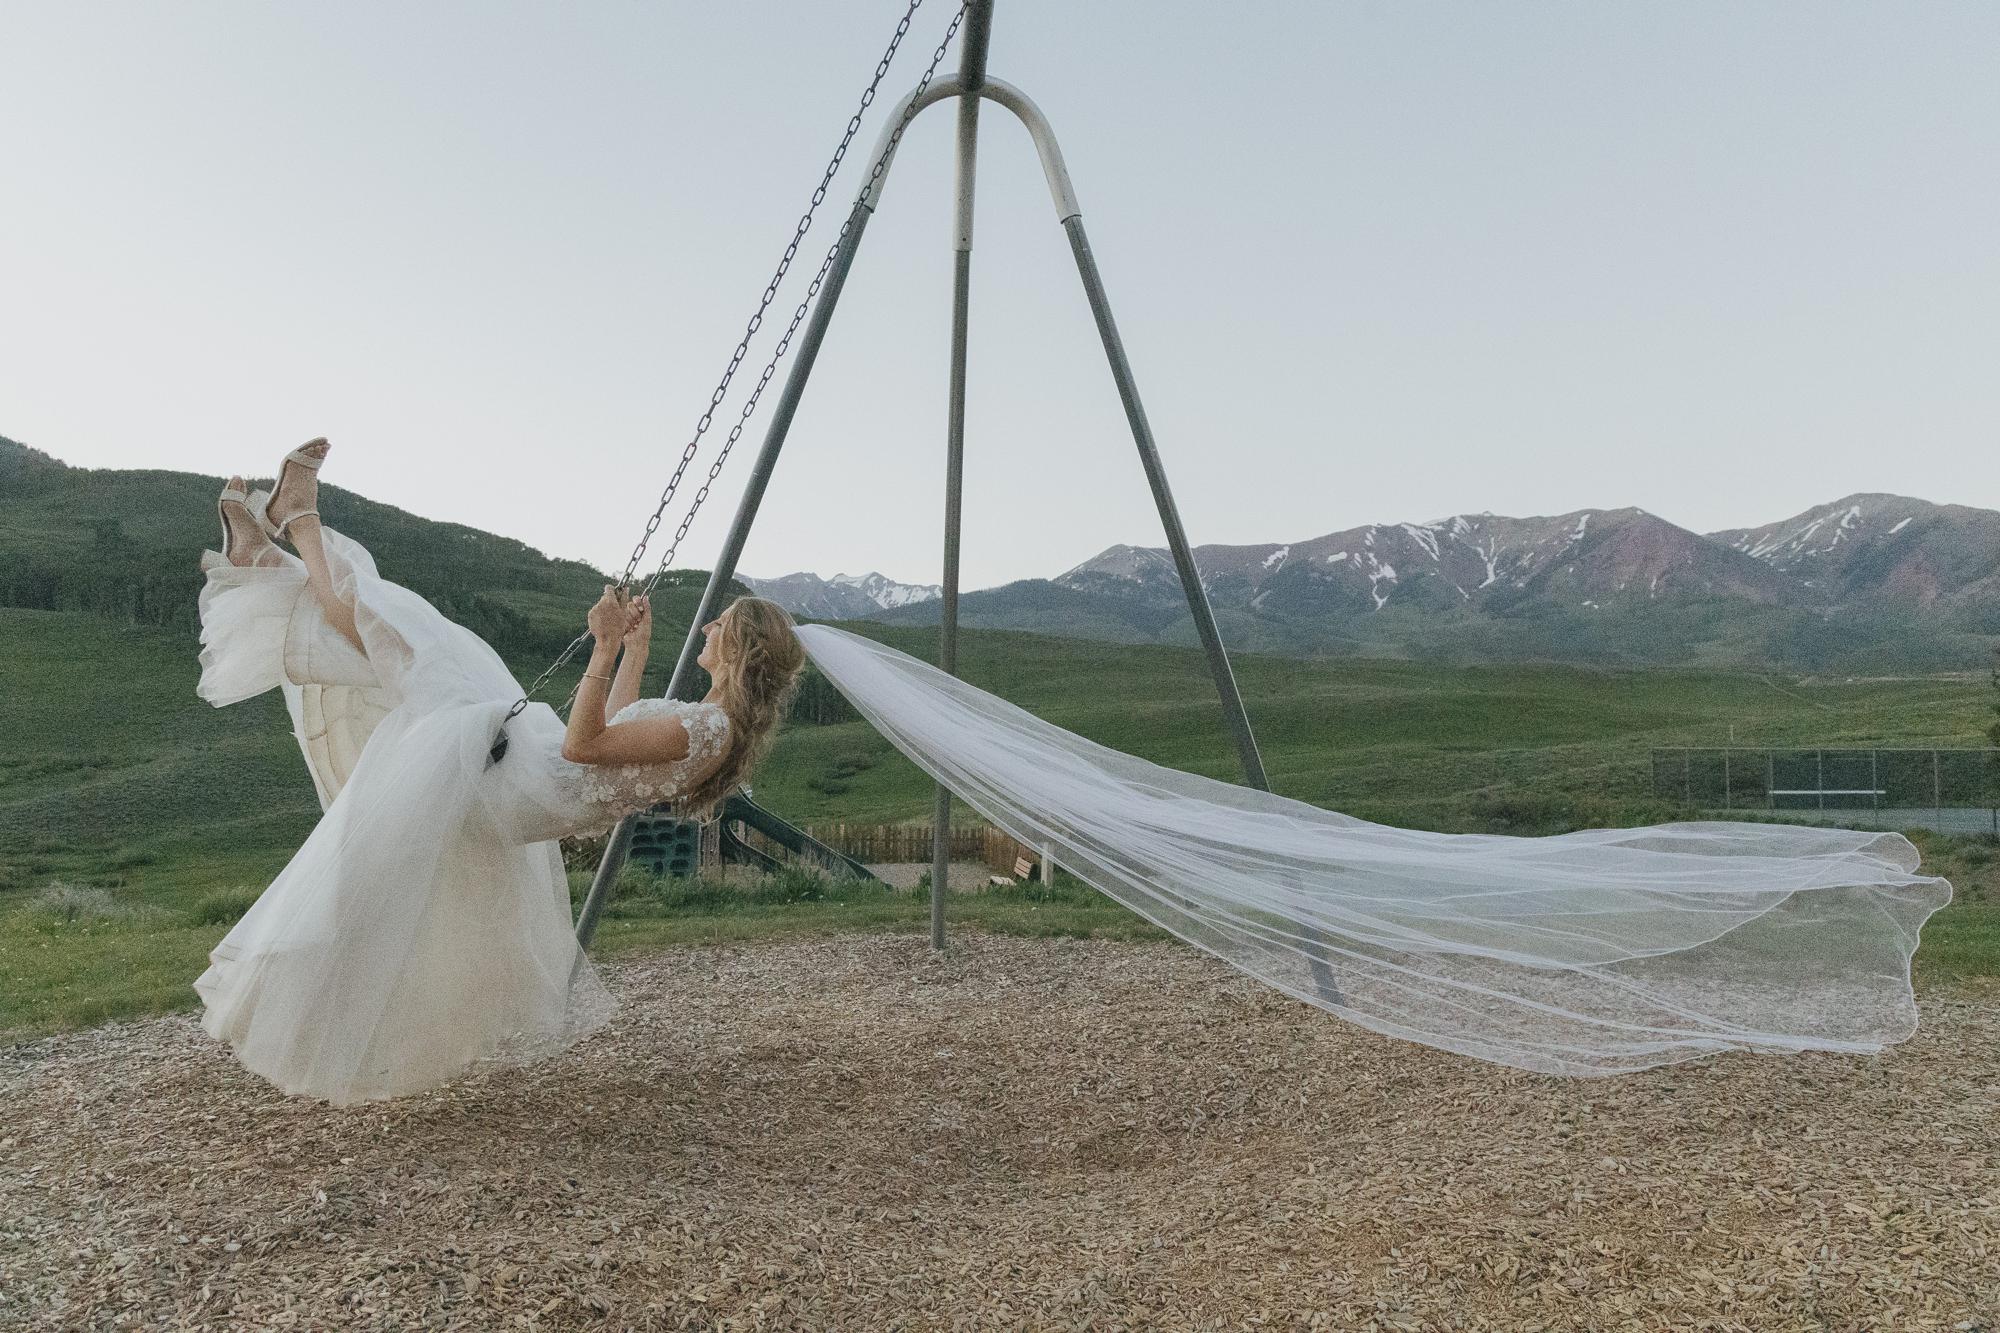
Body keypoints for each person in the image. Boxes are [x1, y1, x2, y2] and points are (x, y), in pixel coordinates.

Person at [192, 438, 806, 1105]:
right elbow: (616, 731)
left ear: (740, 649)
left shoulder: (709, 728)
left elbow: (587, 744)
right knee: (401, 643)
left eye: (722, 624)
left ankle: (293, 523)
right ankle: (268, 547)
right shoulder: (706, 724)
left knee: (406, 637)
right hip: (527, 768)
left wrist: (601, 647)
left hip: (523, 773)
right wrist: (635, 650)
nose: (709, 624)